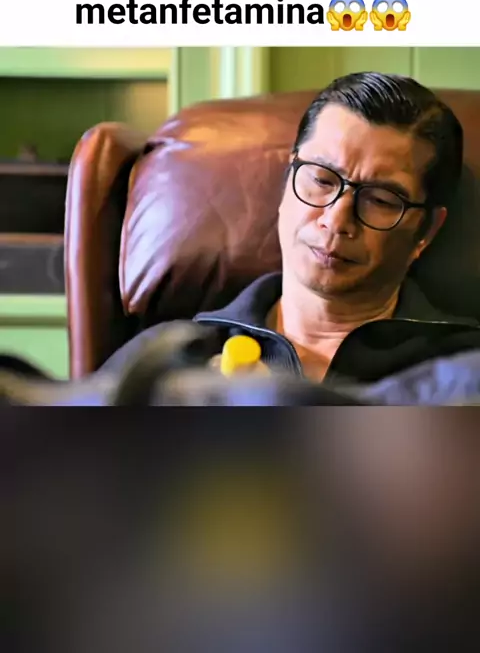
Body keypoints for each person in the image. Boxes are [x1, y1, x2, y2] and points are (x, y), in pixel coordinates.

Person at [3, 71, 480, 404]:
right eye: (320, 179)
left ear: (425, 230)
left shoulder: (463, 366)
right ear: (287, 182)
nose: (337, 220)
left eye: (380, 198)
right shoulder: (172, 354)